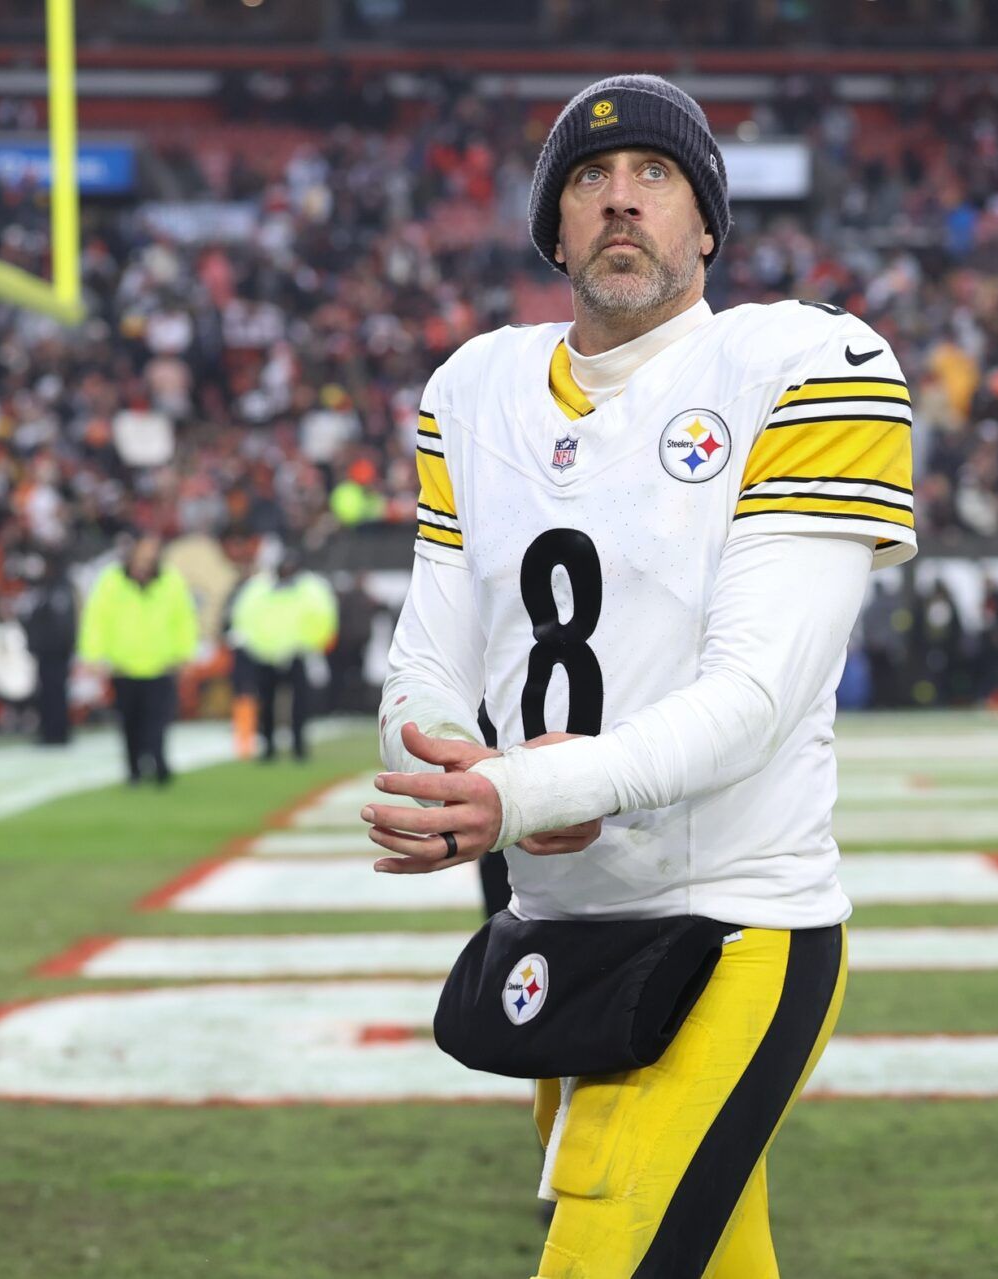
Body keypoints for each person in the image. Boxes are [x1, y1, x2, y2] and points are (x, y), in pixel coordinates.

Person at [361, 76, 915, 1279]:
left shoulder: (808, 362)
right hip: (559, 927)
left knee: (601, 1253)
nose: (621, 200)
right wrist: (444, 751)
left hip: (737, 921)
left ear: (708, 225)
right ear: (552, 231)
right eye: (588, 181)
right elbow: (429, 653)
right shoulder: (474, 390)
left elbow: (758, 698)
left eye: (656, 176)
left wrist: (534, 794)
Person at [76, 534, 198, 786]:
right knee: (130, 721)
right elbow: (97, 619)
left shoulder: (170, 581)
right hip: (124, 665)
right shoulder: (111, 581)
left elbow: (183, 618)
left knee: (158, 719)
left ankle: (159, 763)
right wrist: (93, 655)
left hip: (160, 663)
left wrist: (185, 653)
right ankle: (134, 769)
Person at [227, 547, 338, 762]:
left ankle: (299, 746)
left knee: (300, 705)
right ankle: (268, 746)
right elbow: (244, 618)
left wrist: (309, 644)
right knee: (266, 703)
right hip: (265, 655)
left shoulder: (310, 589)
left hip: (298, 653)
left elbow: (323, 619)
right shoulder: (259, 589)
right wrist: (256, 648)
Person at [23, 554, 79, 746]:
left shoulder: (59, 589)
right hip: (45, 653)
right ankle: (49, 731)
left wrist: (64, 647)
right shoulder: (43, 589)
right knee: (46, 693)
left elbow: (62, 624)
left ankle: (59, 732)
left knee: (56, 693)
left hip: (56, 653)